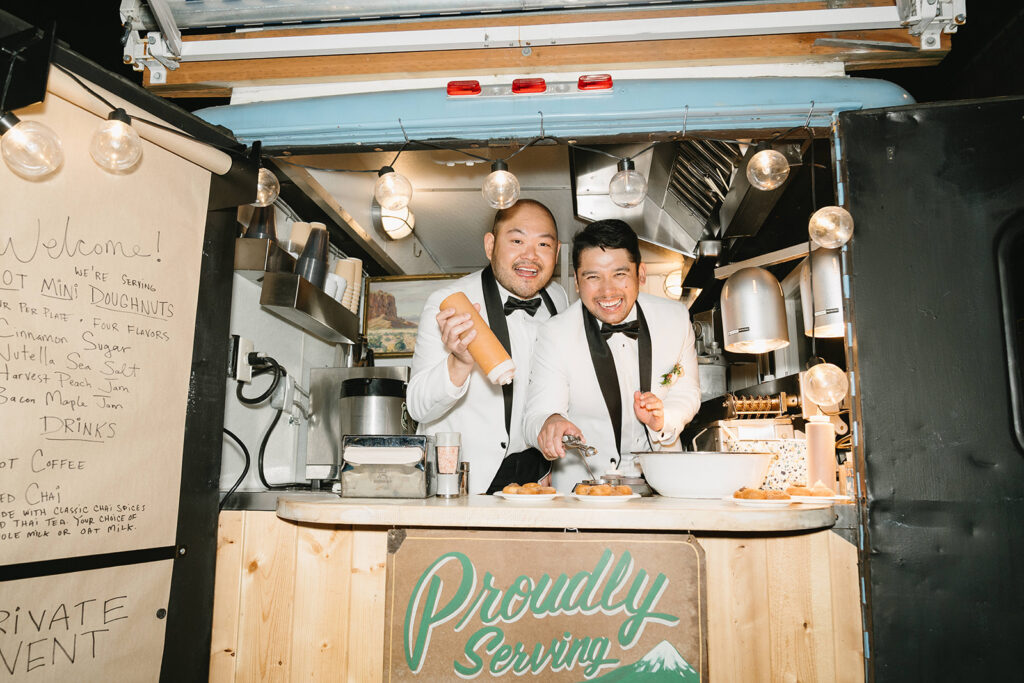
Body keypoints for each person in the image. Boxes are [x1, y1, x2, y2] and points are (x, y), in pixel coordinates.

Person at [523, 219, 701, 490]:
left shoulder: (675, 318)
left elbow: (687, 392)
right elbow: (537, 413)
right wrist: (551, 422)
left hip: (666, 484)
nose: (607, 291)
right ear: (577, 282)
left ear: (640, 274)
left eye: (619, 274)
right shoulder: (555, 334)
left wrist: (663, 418)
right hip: (585, 488)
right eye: (593, 277)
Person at [407, 199, 568, 494]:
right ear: (490, 245)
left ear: (557, 252)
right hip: (467, 479)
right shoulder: (448, 302)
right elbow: (418, 406)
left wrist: (550, 464)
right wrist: (459, 363)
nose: (530, 256)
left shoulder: (559, 300)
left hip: (536, 476)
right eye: (517, 240)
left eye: (543, 245)